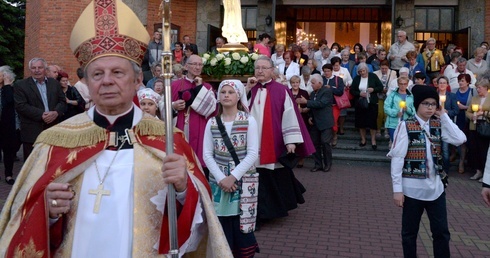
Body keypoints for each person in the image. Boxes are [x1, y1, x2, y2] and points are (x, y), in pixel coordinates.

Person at [0, 1, 232, 256]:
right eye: (97, 74)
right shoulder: (55, 142)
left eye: (118, 72)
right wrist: (49, 212)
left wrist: (183, 189)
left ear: (137, 80)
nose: (107, 80)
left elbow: (199, 228)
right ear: (86, 82)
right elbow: (20, 221)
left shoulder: (168, 140)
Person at [388, 85, 466, 258]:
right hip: (412, 190)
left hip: (436, 189)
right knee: (409, 234)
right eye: (426, 104)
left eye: (433, 104)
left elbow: (460, 139)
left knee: (441, 233)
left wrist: (444, 116)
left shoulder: (438, 124)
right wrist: (397, 190)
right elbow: (397, 158)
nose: (430, 107)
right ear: (417, 105)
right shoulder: (406, 126)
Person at [245, 55, 315, 220]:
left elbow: (290, 115)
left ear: (271, 71)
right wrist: (246, 89)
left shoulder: (281, 90)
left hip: (273, 140)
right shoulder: (248, 89)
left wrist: (290, 141)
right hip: (251, 141)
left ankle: (271, 211)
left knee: (273, 174)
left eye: (264, 68)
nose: (260, 71)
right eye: (257, 68)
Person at [203, 79, 259, 257]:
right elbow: (206, 154)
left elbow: (252, 153)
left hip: (241, 183)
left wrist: (232, 177)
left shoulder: (249, 121)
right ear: (218, 97)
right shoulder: (212, 123)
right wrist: (221, 179)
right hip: (219, 183)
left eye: (231, 92)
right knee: (221, 224)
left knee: (241, 223)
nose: (226, 95)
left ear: (239, 95)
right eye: (223, 92)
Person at [172, 54, 217, 179]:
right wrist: (174, 105)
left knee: (200, 164)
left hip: (201, 129)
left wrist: (199, 88)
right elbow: (162, 105)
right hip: (182, 128)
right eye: (194, 64)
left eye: (200, 64)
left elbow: (212, 109)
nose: (197, 67)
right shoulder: (175, 85)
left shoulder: (207, 87)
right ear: (186, 66)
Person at [13, 57, 66, 160]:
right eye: (33, 68)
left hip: (53, 129)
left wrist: (56, 112)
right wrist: (42, 114)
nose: (37, 70)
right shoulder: (21, 85)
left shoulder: (54, 83)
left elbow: (62, 101)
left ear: (45, 69)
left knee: (52, 162)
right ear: (30, 70)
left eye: (40, 67)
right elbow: (21, 105)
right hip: (32, 131)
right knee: (32, 165)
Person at [298, 73, 333, 172]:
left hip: (325, 123)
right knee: (314, 143)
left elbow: (321, 104)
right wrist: (309, 116)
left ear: (320, 83)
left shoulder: (327, 91)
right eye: (311, 83)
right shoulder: (313, 94)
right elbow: (312, 107)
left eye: (313, 83)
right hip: (315, 123)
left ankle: (328, 164)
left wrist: (306, 102)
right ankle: (318, 164)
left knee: (325, 143)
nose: (311, 85)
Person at [350, 63, 383, 150]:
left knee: (372, 123)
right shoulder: (357, 78)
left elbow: (380, 87)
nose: (362, 73)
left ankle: (373, 140)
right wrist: (359, 93)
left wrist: (373, 90)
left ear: (367, 70)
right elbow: (352, 90)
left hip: (372, 103)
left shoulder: (373, 76)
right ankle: (363, 140)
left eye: (363, 71)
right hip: (360, 103)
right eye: (360, 71)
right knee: (361, 123)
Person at [465, 78, 490, 182]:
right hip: (474, 126)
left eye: (479, 88)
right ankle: (478, 171)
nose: (478, 90)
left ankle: (485, 172)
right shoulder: (474, 98)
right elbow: (468, 111)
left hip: (486, 127)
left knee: (484, 150)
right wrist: (472, 116)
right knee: (475, 149)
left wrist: (483, 113)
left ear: (485, 88)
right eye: (477, 88)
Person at [437, 76, 459, 175]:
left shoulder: (452, 96)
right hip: (435, 125)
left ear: (447, 84)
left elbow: (456, 110)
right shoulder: (434, 95)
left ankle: (446, 170)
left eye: (444, 83)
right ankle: (436, 169)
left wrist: (447, 112)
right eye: (440, 83)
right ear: (437, 84)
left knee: (445, 150)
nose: (442, 85)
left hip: (446, 125)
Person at [0, 66, 18, 185]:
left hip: (7, 126)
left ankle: (8, 175)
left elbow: (10, 101)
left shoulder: (10, 89)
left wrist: (6, 85)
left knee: (8, 151)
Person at [383, 77, 415, 142]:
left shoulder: (411, 96)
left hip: (406, 124)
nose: (403, 86)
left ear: (407, 84)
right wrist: (396, 113)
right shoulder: (392, 95)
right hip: (393, 124)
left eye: (404, 84)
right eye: (401, 84)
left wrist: (407, 109)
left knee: (404, 144)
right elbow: (386, 107)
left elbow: (414, 110)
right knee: (395, 142)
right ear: (398, 84)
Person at [455, 73, 474, 174]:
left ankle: (461, 161)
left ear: (467, 82)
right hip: (456, 117)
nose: (460, 83)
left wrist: (465, 107)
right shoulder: (455, 91)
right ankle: (454, 154)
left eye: (462, 81)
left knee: (463, 141)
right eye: (459, 80)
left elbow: (474, 105)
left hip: (466, 118)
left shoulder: (472, 91)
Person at [322, 63, 345, 147]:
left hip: (334, 105)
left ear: (331, 71)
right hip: (324, 105)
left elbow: (340, 92)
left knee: (333, 121)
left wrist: (331, 88)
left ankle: (334, 136)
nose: (326, 73)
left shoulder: (338, 79)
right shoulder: (321, 79)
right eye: (325, 71)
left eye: (328, 71)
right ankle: (328, 137)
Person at [290, 75, 310, 167]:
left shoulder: (304, 93)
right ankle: (291, 158)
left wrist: (303, 110)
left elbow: (309, 106)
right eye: (293, 82)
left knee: (301, 139)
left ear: (299, 83)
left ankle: (301, 158)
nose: (295, 84)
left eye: (297, 82)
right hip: (290, 120)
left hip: (302, 119)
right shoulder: (287, 92)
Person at [374, 60, 398, 138]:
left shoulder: (393, 73)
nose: (384, 70)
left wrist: (389, 90)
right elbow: (374, 85)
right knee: (380, 113)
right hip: (379, 96)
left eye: (385, 68)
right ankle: (378, 129)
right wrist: (381, 89)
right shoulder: (375, 73)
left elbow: (395, 83)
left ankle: (386, 130)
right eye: (382, 68)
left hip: (389, 96)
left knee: (387, 114)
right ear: (380, 67)